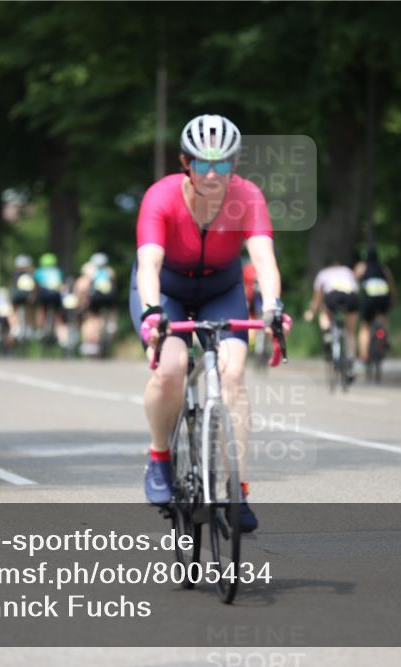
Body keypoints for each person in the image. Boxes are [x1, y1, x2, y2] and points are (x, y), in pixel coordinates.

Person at [130, 114, 287, 531]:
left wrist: (272, 307)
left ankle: (237, 491)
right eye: (203, 163)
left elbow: (264, 260)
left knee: (233, 375)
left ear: (235, 164)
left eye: (223, 163)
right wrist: (151, 313)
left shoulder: (248, 197)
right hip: (166, 290)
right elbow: (149, 263)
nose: (214, 174)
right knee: (172, 368)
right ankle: (160, 457)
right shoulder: (160, 197)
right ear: (186, 162)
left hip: (221, 289)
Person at [305, 262, 360, 376]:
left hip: (333, 295)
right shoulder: (347, 270)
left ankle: (327, 332)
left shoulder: (323, 273)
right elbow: (356, 289)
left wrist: (311, 311)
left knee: (325, 313)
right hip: (351, 296)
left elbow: (318, 296)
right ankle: (350, 359)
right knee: (350, 332)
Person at [354, 246, 396, 364]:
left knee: (365, 326)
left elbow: (353, 283)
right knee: (382, 318)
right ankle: (383, 339)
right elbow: (391, 285)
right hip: (383, 297)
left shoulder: (362, 267)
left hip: (369, 298)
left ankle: (365, 356)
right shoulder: (383, 268)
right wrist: (392, 299)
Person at [76, 252, 117, 357]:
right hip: (109, 298)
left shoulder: (90, 270)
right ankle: (111, 324)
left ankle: (91, 342)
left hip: (95, 298)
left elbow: (83, 287)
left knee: (91, 317)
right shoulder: (110, 271)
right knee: (111, 309)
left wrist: (81, 300)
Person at [34, 253, 65, 345]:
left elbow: (36, 286)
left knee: (41, 310)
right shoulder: (58, 271)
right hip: (56, 295)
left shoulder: (39, 271)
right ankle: (62, 336)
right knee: (58, 315)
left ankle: (40, 330)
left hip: (44, 294)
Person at [11, 255, 36, 340]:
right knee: (29, 309)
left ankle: (15, 326)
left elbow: (13, 287)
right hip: (27, 296)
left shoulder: (15, 273)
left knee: (13, 310)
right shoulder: (30, 273)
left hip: (17, 296)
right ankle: (29, 327)